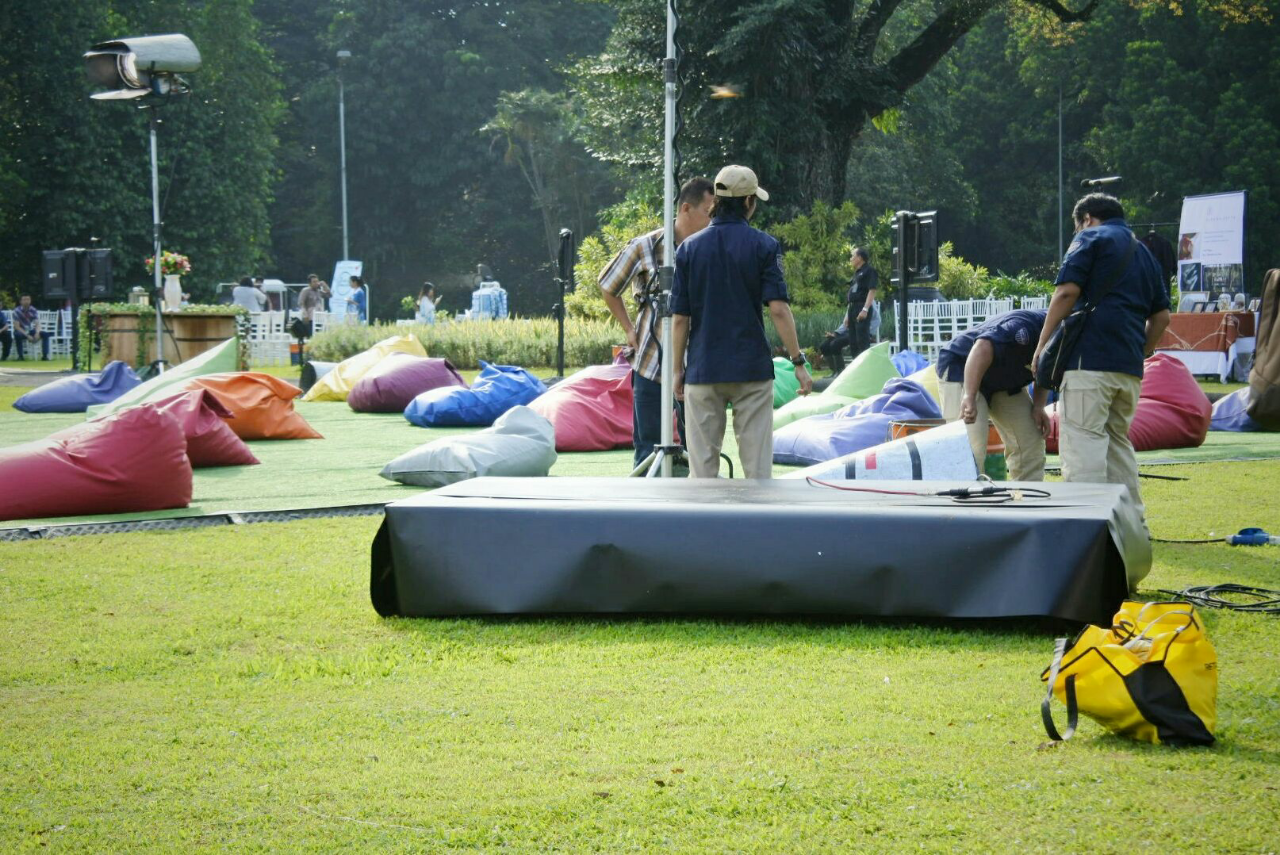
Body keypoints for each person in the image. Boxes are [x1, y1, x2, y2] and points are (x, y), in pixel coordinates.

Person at [1032, 193, 1171, 521]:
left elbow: (1066, 292)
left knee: (1084, 444)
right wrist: (1142, 351)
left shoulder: (1090, 238)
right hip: (1129, 368)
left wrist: (1042, 343)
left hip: (1088, 362)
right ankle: (1132, 523)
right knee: (1118, 445)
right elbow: (1162, 317)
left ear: (1087, 218)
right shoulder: (1145, 253)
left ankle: (1088, 525)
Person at [671, 165, 813, 479]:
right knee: (758, 468)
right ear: (749, 201)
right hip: (751, 367)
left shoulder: (689, 249)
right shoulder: (765, 245)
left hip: (704, 367)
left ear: (715, 201)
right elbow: (778, 309)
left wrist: (677, 369)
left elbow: (680, 318)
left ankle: (706, 527)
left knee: (703, 471)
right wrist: (797, 361)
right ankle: (760, 527)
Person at [599, 176, 716, 469]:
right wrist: (628, 328)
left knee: (699, 447)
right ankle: (645, 509)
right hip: (651, 360)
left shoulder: (711, 249)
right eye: (709, 211)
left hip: (697, 364)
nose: (713, 219)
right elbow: (608, 285)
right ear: (686, 208)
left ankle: (699, 505)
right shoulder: (646, 246)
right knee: (648, 446)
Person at [935, 309, 1050, 481]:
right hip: (962, 367)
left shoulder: (1069, 335)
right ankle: (964, 504)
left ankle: (1027, 499)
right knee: (969, 447)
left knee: (1030, 441)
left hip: (1003, 380)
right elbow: (982, 347)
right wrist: (969, 395)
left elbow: (1045, 367)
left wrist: (1039, 406)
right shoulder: (1022, 327)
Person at [818, 246, 879, 375]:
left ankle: (867, 372)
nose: (851, 259)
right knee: (853, 342)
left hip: (861, 307)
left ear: (860, 258)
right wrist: (848, 314)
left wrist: (865, 309)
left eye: (853, 256)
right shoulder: (856, 273)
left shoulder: (869, 271)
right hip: (852, 308)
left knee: (861, 341)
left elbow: (872, 290)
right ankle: (857, 371)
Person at [12, 295, 50, 360]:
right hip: (21, 331)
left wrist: (37, 332)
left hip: (30, 330)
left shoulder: (33, 310)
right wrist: (27, 335)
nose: (27, 301)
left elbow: (37, 323)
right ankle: (20, 356)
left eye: (28, 299)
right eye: (24, 300)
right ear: (20, 301)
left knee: (45, 334)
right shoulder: (16, 311)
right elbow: (17, 327)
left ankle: (45, 356)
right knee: (17, 335)